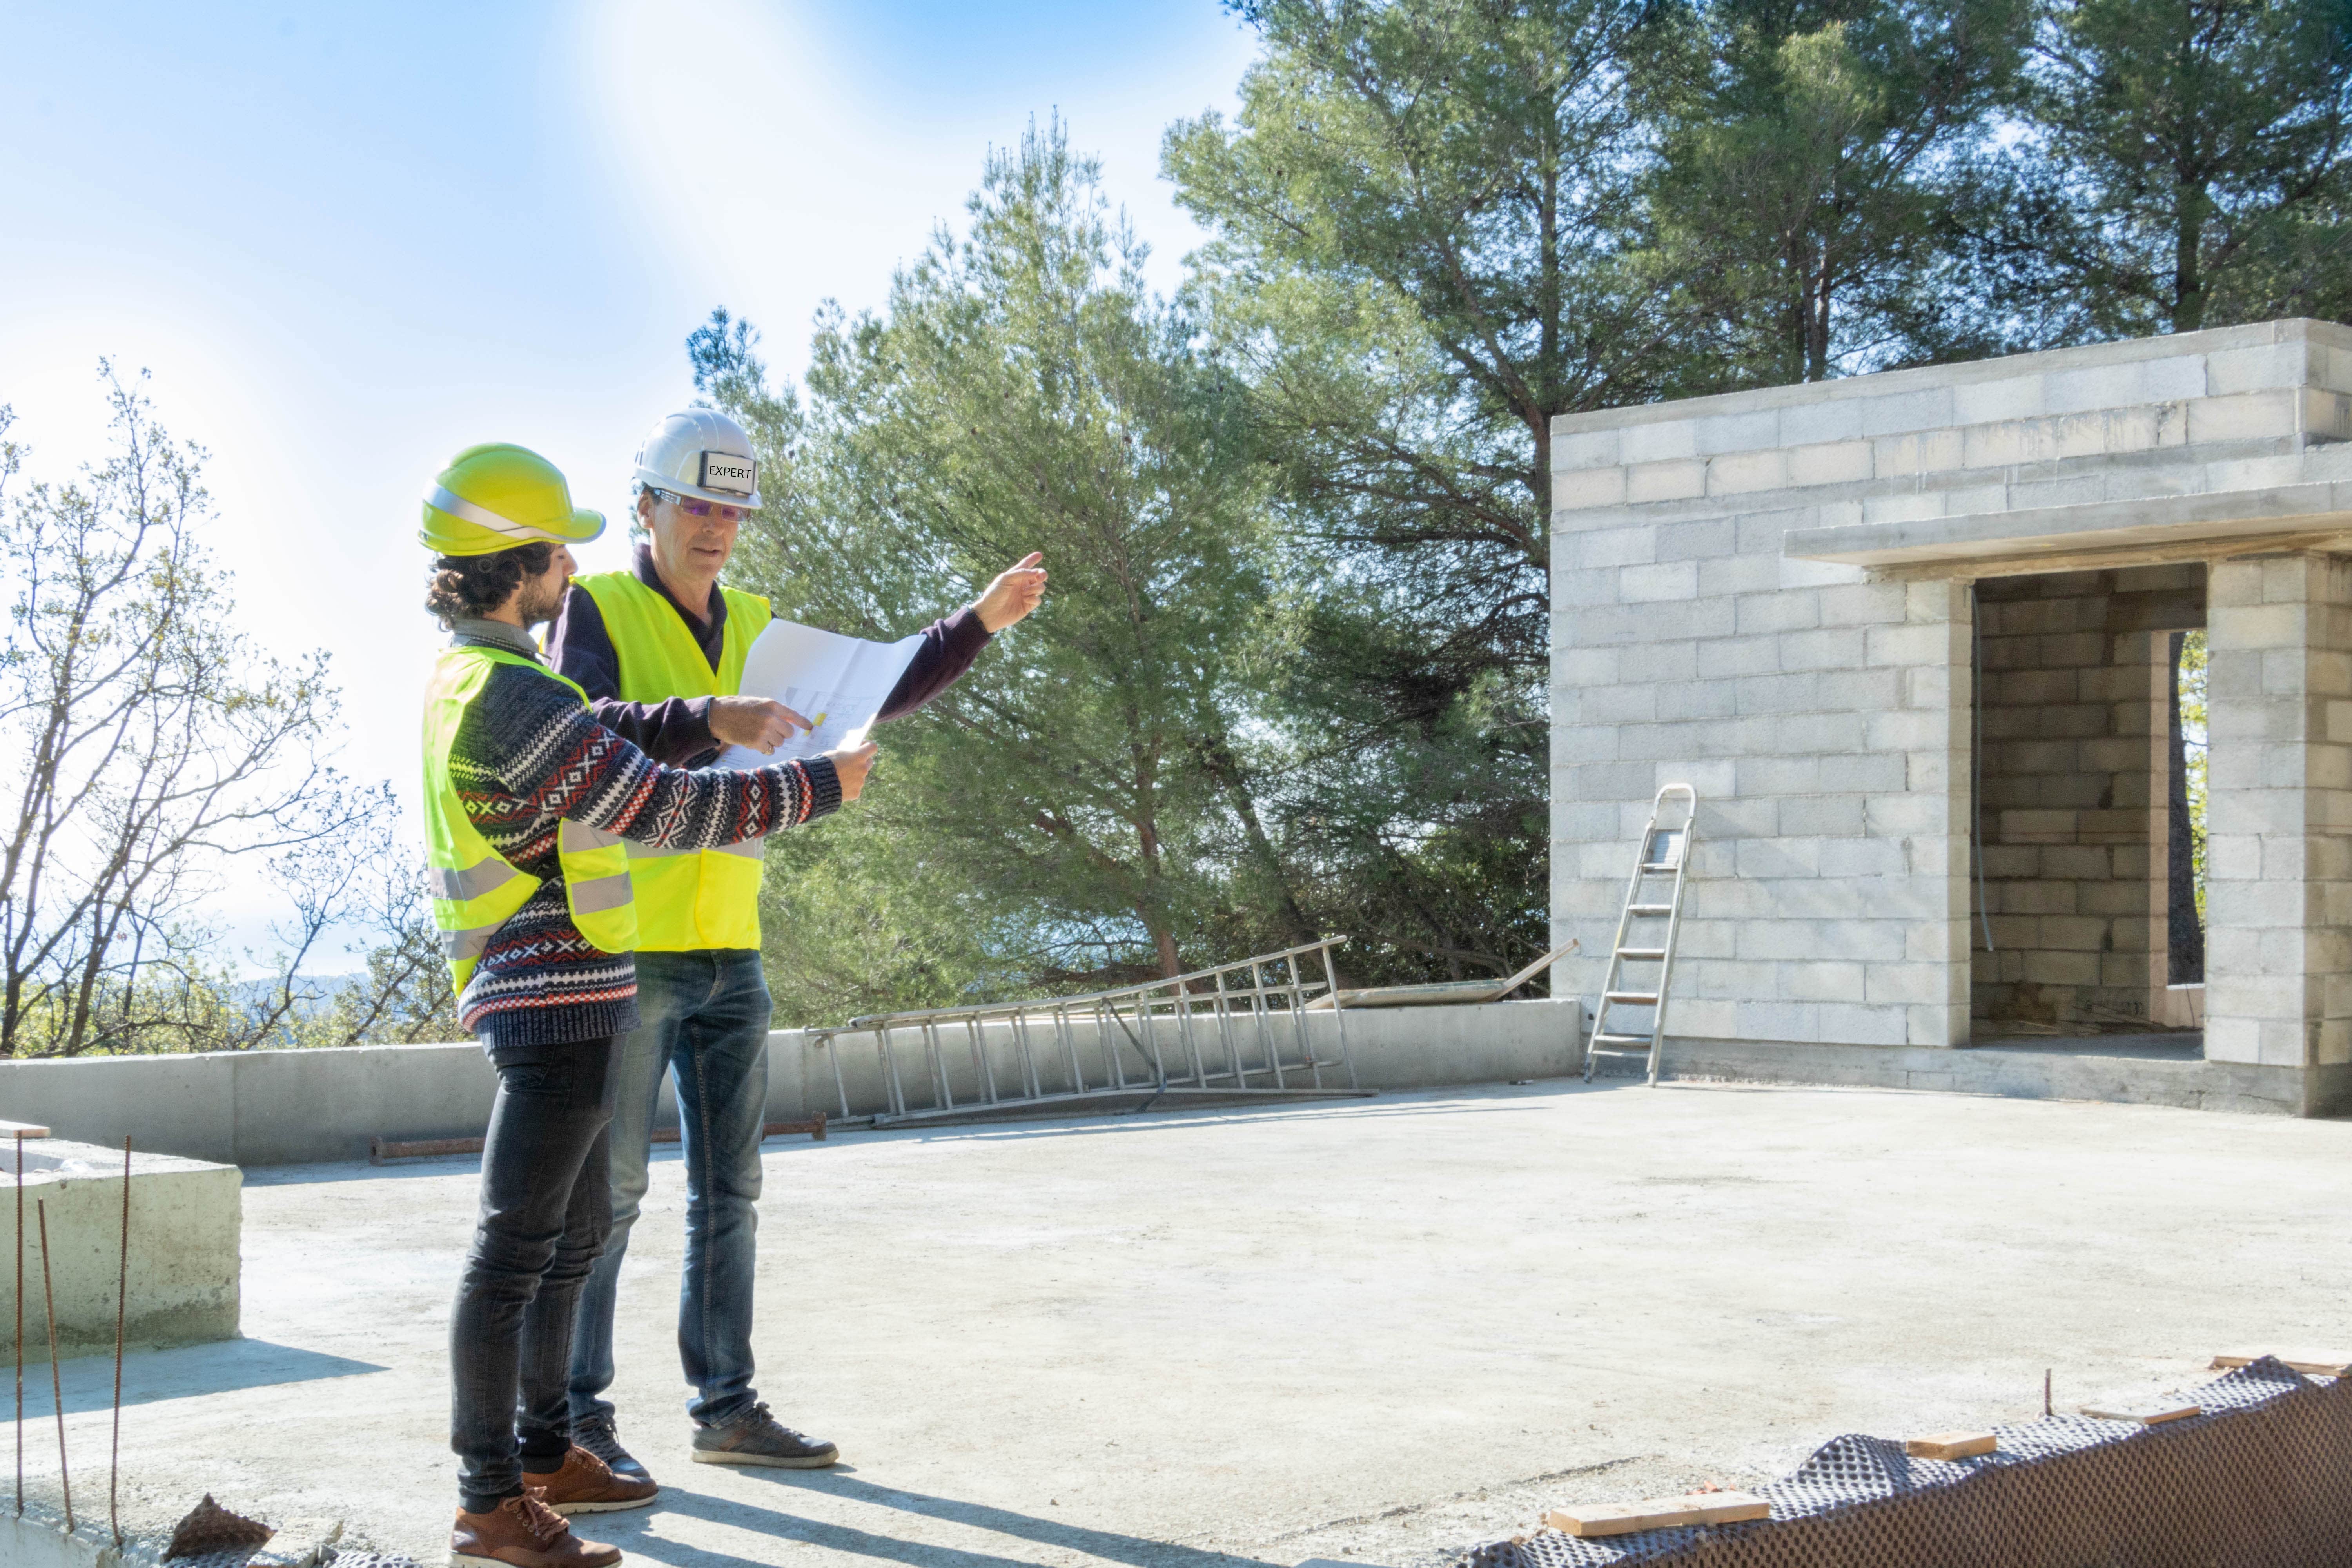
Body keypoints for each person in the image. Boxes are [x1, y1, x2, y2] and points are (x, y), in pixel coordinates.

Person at [546, 409, 1045, 1477]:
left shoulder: (760, 619)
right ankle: (577, 1425)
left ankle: (726, 1410)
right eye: (698, 505)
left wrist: (982, 621)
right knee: (611, 1193)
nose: (719, 527)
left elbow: (870, 689)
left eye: (733, 509)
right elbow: (581, 733)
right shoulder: (594, 606)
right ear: (648, 508)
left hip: (733, 945)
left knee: (732, 1193)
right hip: (627, 948)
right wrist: (711, 717)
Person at [419, 442, 876, 1568]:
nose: (571, 567)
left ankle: (548, 1447)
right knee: (515, 1251)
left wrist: (715, 715)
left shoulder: (495, 682)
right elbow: (657, 808)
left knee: (571, 1236)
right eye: (556, 551)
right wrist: (821, 785)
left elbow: (612, 742)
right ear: (516, 563)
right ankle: (491, 1501)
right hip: (549, 997)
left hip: (573, 991)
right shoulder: (513, 693)